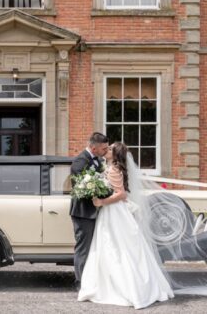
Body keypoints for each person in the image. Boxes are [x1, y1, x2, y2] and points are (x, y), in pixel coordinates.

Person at [77, 141, 175, 309]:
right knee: (109, 246)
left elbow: (121, 194)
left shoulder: (114, 169)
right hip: (111, 212)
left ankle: (128, 289)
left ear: (115, 155)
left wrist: (102, 201)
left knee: (118, 247)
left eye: (110, 149)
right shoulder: (108, 167)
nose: (106, 151)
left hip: (114, 212)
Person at [69, 132, 108, 285]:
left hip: (95, 211)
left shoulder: (98, 160)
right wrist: (101, 191)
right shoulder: (80, 161)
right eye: (103, 148)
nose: (105, 151)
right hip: (83, 212)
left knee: (94, 246)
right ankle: (80, 282)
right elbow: (80, 188)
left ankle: (92, 280)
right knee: (83, 248)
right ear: (93, 147)